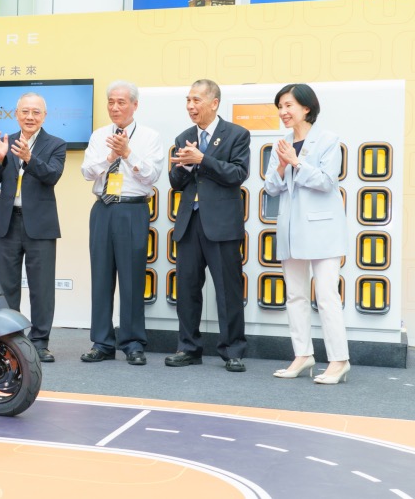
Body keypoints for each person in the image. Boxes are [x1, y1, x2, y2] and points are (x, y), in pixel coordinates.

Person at [264, 83, 350, 384]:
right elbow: (271, 187)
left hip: (323, 230)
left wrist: (296, 162)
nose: (283, 112)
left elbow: (327, 182)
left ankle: (339, 361)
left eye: (288, 105)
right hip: (290, 229)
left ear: (306, 108)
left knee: (326, 297)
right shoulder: (282, 144)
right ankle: (303, 355)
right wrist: (281, 165)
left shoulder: (329, 140)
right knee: (295, 296)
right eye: (280, 107)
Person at [165, 79, 250, 372]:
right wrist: (185, 166)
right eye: (188, 100)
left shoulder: (236, 134)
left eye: (196, 100)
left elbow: (238, 173)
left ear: (214, 103)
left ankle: (233, 350)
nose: (191, 106)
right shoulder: (184, 137)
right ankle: (188, 348)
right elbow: (175, 183)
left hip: (222, 224)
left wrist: (203, 159)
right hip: (189, 222)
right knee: (187, 288)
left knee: (228, 290)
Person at [79, 81, 164, 366]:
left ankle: (133, 342)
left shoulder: (150, 137)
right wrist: (110, 157)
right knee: (101, 277)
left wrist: (127, 153)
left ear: (135, 105)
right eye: (111, 102)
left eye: (121, 102)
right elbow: (86, 172)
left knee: (132, 279)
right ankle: (102, 342)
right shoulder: (99, 135)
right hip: (102, 209)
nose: (115, 107)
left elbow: (152, 176)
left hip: (132, 210)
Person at [0, 93, 66, 363]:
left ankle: (40, 342)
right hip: (9, 222)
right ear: (16, 114)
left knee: (41, 288)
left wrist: (30, 158)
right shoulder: (5, 141)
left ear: (44, 116)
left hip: (40, 225)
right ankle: (10, 341)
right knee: (7, 286)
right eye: (25, 112)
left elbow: (52, 176)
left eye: (36, 112)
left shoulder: (56, 144)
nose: (30, 117)